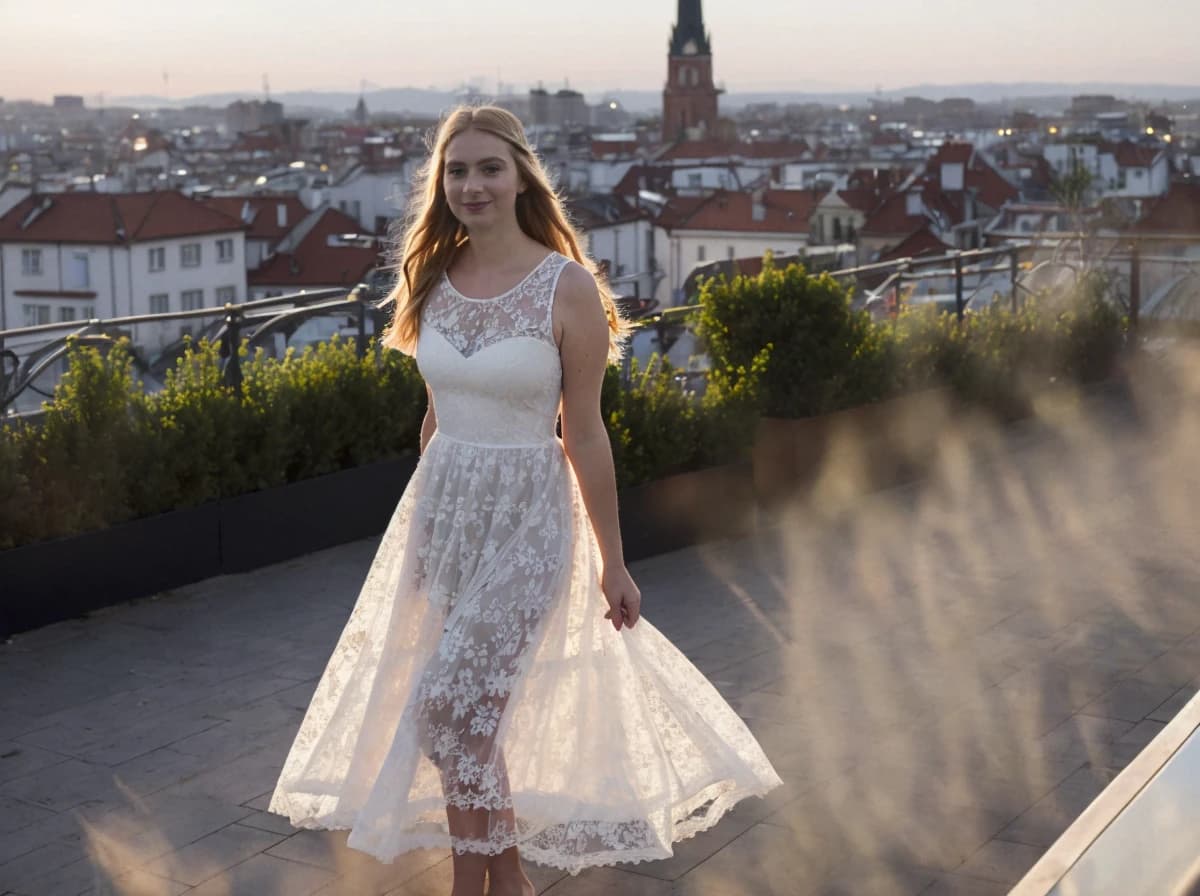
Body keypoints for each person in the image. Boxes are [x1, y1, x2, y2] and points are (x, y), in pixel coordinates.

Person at [269, 105, 781, 896]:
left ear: (520, 177)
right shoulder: (429, 280)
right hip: (446, 518)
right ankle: (507, 884)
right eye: (457, 170)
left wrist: (614, 562)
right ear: (440, 184)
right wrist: (428, 519)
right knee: (468, 723)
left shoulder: (567, 287)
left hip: (532, 521)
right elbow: (436, 414)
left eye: (488, 168)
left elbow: (587, 434)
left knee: (445, 712)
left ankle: (469, 887)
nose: (472, 184)